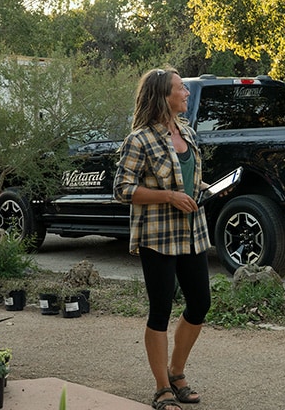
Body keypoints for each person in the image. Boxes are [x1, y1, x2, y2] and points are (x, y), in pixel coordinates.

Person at [114, 67, 211, 410]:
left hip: (192, 233)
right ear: (163, 96)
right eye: (180, 88)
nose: (186, 92)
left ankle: (176, 371)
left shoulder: (188, 132)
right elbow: (122, 189)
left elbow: (188, 178)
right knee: (161, 309)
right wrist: (169, 197)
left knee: (200, 303)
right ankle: (162, 388)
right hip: (157, 236)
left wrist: (204, 189)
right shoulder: (139, 140)